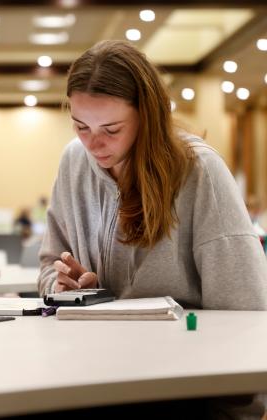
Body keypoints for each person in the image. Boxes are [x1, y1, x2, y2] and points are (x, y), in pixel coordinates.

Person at [38, 40, 267, 418]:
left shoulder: (199, 172)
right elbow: (49, 265)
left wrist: (239, 411)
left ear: (147, 116)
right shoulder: (72, 162)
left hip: (177, 380)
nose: (93, 144)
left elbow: (246, 310)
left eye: (111, 129)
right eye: (80, 126)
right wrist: (64, 288)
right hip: (89, 371)